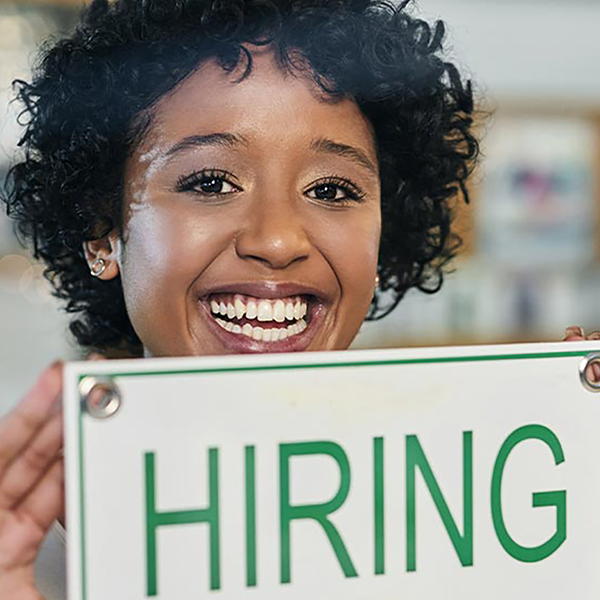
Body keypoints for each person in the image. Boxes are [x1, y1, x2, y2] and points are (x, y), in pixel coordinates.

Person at [0, 0, 478, 598]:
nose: (277, 240)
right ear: (104, 230)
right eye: (210, 182)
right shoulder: (20, 535)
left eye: (331, 189)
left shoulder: (469, 509)